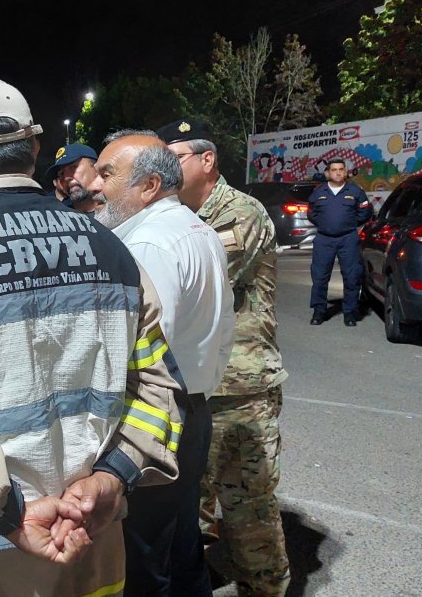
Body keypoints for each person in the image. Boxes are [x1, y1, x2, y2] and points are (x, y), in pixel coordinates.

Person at [0, 76, 187, 596]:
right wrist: (110, 478)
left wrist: (10, 513)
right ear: (35, 149)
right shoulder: (111, 247)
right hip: (89, 538)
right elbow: (160, 389)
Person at [88, 129, 235, 595]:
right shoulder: (195, 228)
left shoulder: (147, 245)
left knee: (144, 559)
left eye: (107, 173)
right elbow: (222, 330)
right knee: (182, 545)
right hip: (191, 409)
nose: (94, 184)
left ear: (149, 185)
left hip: (156, 419)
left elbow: (147, 352)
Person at [157, 118, 290, 597]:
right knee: (191, 504)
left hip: (240, 388)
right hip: (192, 384)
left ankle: (265, 589)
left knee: (248, 510)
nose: (165, 168)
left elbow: (189, 283)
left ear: (206, 160)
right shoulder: (175, 215)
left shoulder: (240, 213)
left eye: (174, 157)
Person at [307, 158, 372, 326]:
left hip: (348, 238)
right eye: (334, 169)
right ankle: (319, 311)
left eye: (341, 169)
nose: (337, 172)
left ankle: (350, 312)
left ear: (345, 172)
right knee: (319, 277)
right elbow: (311, 213)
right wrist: (326, 224)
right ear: (328, 173)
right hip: (324, 239)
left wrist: (348, 224)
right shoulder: (319, 191)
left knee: (352, 276)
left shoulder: (355, 191)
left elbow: (365, 212)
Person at [44, 142, 99, 211]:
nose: (66, 178)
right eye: (61, 173)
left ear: (96, 168)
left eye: (73, 167)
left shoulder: (111, 209)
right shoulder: (56, 213)